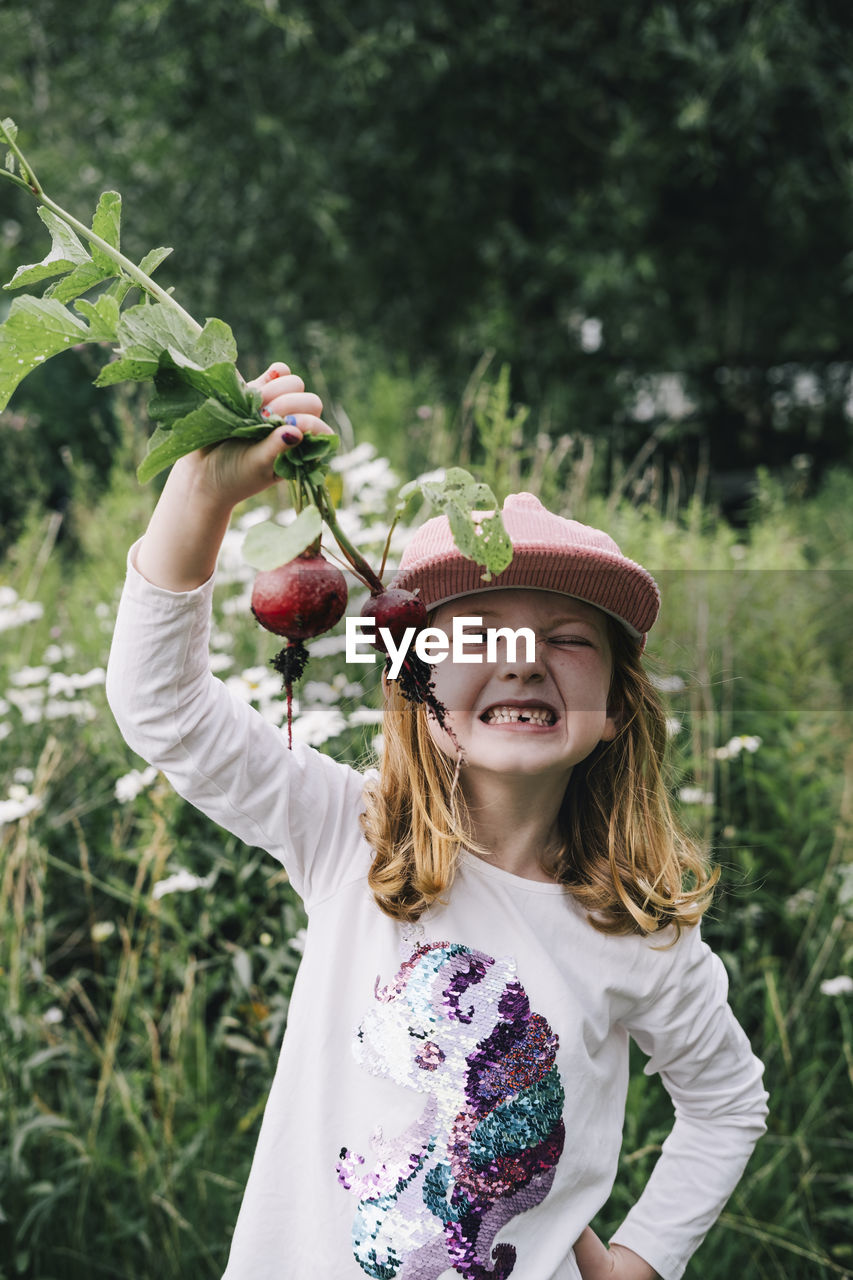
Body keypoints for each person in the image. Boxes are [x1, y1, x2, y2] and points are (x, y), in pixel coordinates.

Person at [106, 362, 768, 1280]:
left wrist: (638, 1261)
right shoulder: (349, 833)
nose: (523, 661)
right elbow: (160, 709)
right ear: (418, 687)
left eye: (568, 640)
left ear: (617, 706)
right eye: (478, 634)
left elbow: (727, 1102)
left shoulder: (639, 932)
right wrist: (199, 496)